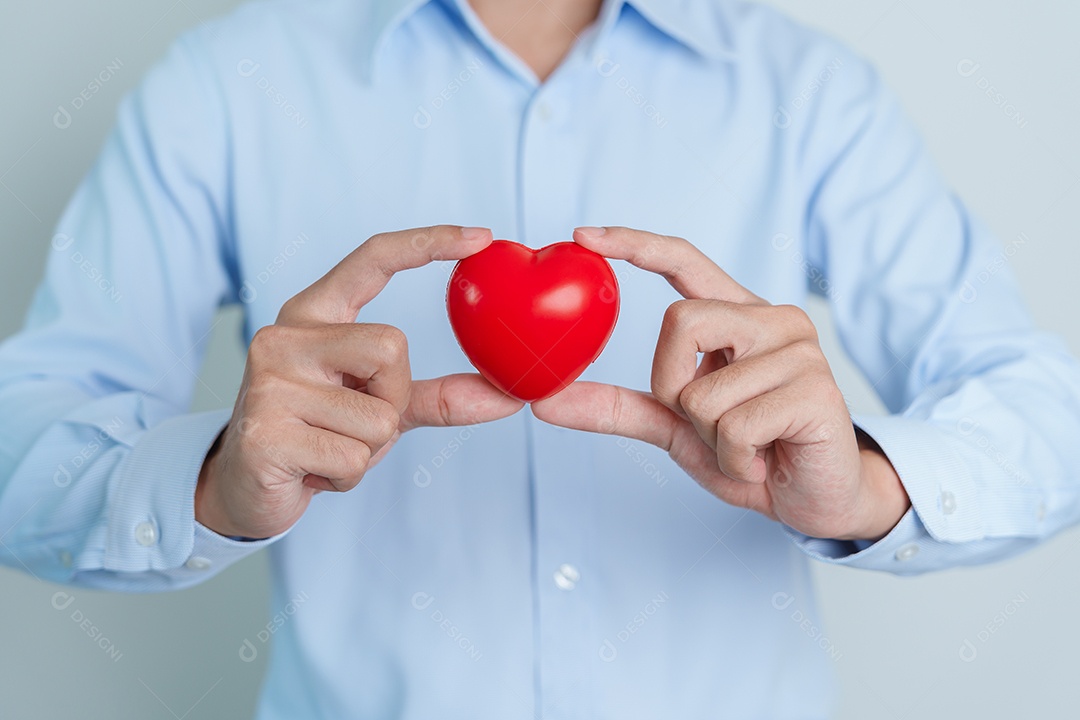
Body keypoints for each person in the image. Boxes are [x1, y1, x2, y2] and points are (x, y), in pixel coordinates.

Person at [2, 0, 1077, 716]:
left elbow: (1051, 419)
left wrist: (868, 486)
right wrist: (209, 481)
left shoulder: (812, 90)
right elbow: (23, 440)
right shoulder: (227, 83)